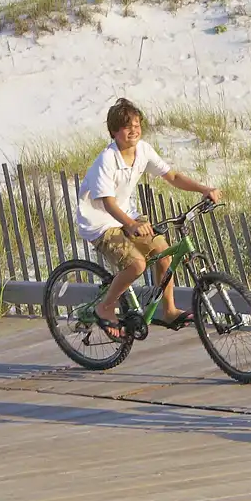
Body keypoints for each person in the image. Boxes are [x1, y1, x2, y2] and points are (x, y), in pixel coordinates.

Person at [75, 98, 221, 332]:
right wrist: (131, 224)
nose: (133, 130)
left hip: (127, 215)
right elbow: (108, 203)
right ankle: (106, 306)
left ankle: (170, 310)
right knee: (136, 265)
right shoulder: (107, 160)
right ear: (114, 132)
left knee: (164, 253)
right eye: (126, 126)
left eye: (136, 124)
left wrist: (204, 189)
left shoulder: (143, 150)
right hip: (100, 222)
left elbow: (171, 176)